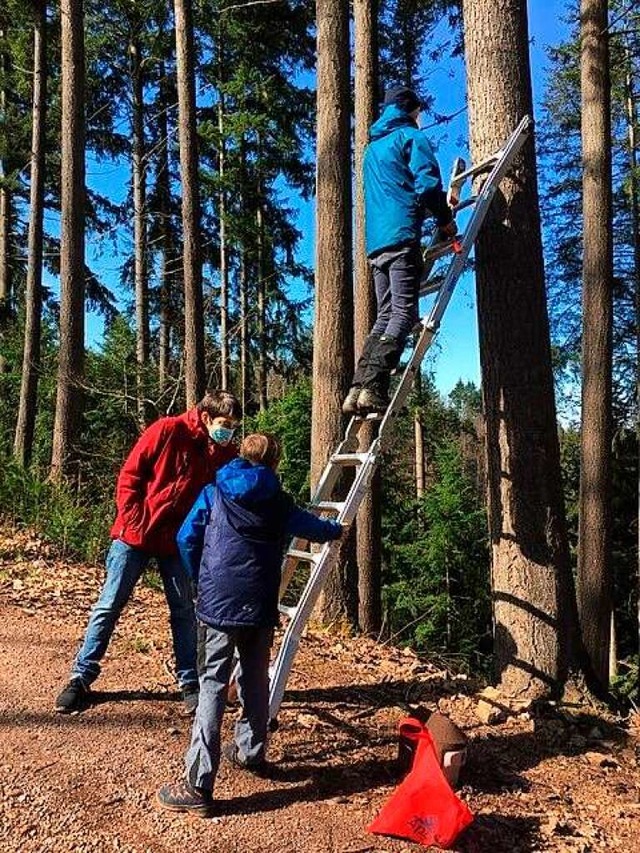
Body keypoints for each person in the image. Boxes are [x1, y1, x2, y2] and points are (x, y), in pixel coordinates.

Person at [156, 432, 343, 815]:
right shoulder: (277, 501)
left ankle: (198, 786)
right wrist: (336, 530)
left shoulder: (214, 492)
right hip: (258, 603)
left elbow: (185, 537)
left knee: (211, 685)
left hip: (217, 601)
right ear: (274, 462)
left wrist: (200, 579)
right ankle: (251, 751)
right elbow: (311, 527)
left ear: (241, 454)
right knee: (255, 677)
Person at [54, 389, 242, 716]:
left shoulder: (222, 452)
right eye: (225, 424)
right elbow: (129, 476)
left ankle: (189, 683)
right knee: (109, 604)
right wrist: (134, 518)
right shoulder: (168, 430)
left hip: (177, 544)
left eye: (234, 427)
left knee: (184, 611)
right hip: (134, 536)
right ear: (208, 417)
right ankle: (81, 677)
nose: (228, 432)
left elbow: (234, 485)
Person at [343, 85, 458, 416]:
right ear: (411, 110)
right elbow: (428, 186)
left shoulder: (372, 149)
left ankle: (356, 390)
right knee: (404, 314)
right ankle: (374, 387)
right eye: (418, 112)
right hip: (402, 236)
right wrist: (445, 220)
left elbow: (395, 191)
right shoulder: (411, 137)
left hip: (376, 243)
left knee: (385, 315)